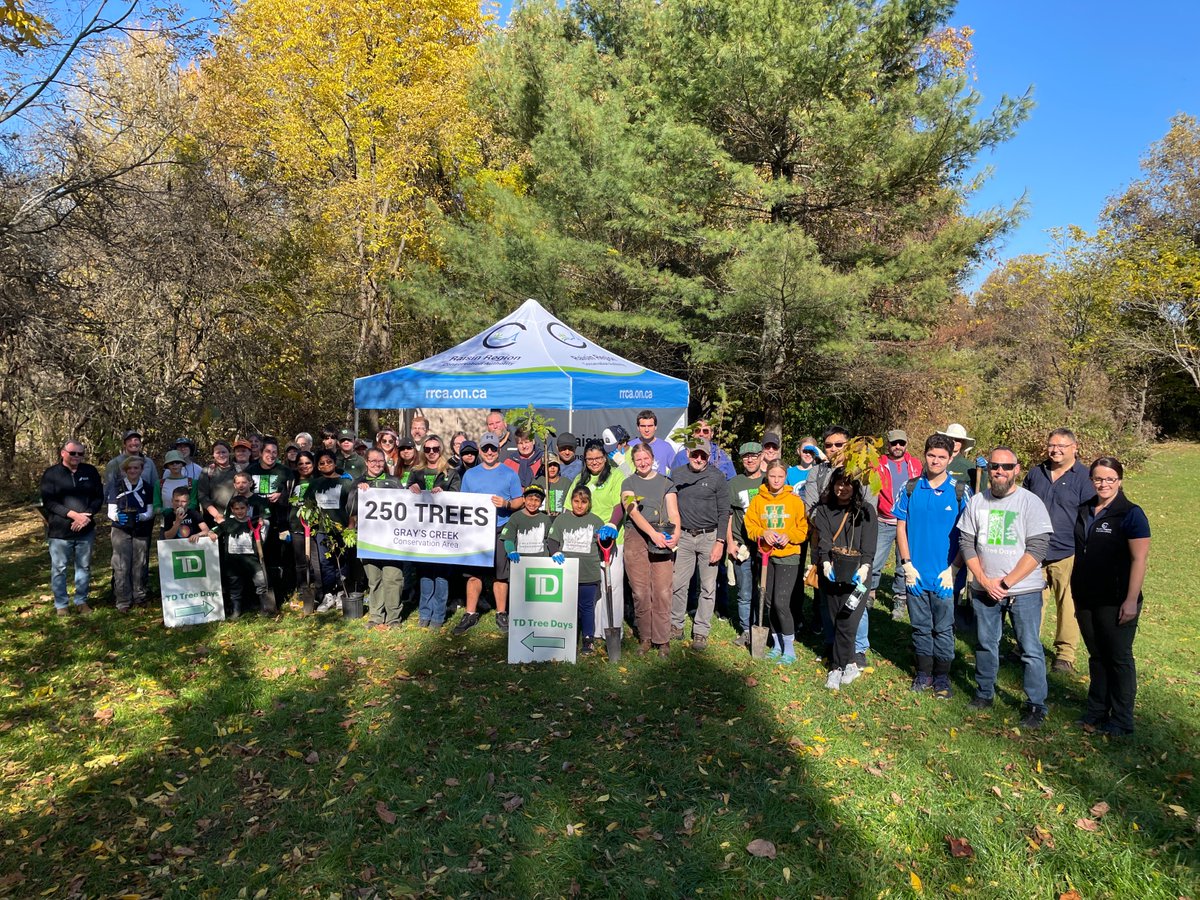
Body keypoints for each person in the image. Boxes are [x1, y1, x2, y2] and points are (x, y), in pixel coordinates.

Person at [958, 448, 1055, 728]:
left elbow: (1038, 549)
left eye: (1006, 466)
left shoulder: (1030, 503)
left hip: (1023, 590)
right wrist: (985, 580)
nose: (999, 471)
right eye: (994, 466)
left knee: (1029, 647)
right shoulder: (977, 502)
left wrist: (1006, 582)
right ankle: (984, 693)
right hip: (984, 587)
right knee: (986, 644)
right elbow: (967, 543)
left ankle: (1036, 704)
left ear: (1017, 469)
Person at [1071, 457, 1150, 736]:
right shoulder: (1085, 509)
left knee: (1118, 658)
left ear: (1119, 481)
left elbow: (1139, 559)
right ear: (1091, 480)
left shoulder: (1130, 513)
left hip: (1116, 599)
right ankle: (1096, 712)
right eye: (1098, 479)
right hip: (1085, 596)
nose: (1103, 484)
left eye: (1110, 479)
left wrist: (1130, 600)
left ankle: (1122, 720)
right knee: (1096, 656)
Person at [894, 434, 970, 697]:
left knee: (944, 627)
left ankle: (942, 677)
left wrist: (955, 569)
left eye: (941, 457)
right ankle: (923, 673)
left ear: (950, 459)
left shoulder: (960, 491)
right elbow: (901, 527)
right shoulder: (909, 488)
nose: (935, 461)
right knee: (920, 626)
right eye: (931, 455)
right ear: (924, 455)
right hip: (916, 573)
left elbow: (968, 535)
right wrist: (906, 564)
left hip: (945, 575)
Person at [1022, 428, 1097, 673]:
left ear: (1074, 448)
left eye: (1061, 446)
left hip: (1068, 550)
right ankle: (1026, 646)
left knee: (1068, 604)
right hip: (1034, 550)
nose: (1055, 450)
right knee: (1031, 602)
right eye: (1052, 445)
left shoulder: (1085, 478)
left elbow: (1092, 515)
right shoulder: (1036, 473)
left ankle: (1065, 655)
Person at [811, 468, 877, 689]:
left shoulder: (866, 511)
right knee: (836, 619)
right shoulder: (824, 510)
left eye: (847, 483)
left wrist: (866, 566)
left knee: (848, 622)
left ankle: (836, 669)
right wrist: (826, 562)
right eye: (838, 483)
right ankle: (849, 663)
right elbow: (825, 540)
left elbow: (869, 544)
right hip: (832, 573)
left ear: (856, 486)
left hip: (858, 576)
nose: (842, 488)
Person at [454, 433, 524, 634]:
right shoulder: (470, 475)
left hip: (501, 528)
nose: (490, 452)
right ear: (481, 451)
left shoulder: (510, 473)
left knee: (500, 575)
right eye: (486, 449)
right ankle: (470, 613)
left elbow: (520, 500)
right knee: (474, 575)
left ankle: (501, 613)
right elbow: (463, 503)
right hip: (476, 532)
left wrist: (507, 504)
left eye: (493, 448)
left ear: (499, 450)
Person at [744, 461, 809, 665]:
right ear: (767, 476)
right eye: (773, 476)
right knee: (769, 601)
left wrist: (788, 536)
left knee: (781, 601)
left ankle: (789, 647)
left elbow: (803, 529)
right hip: (765, 556)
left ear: (785, 477)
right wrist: (763, 533)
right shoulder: (758, 500)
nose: (776, 480)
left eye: (780, 477)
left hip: (788, 557)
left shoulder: (795, 501)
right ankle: (776, 643)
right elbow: (750, 525)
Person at [667, 439, 730, 650]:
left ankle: (701, 630)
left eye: (703, 455)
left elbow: (724, 512)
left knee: (708, 587)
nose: (699, 459)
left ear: (709, 456)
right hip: (684, 537)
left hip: (709, 537)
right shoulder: (676, 475)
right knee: (678, 584)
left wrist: (720, 542)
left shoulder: (717, 477)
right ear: (687, 453)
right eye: (695, 454)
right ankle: (676, 625)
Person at [621, 442, 680, 656]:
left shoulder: (666, 483)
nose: (643, 462)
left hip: (662, 537)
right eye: (638, 460)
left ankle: (662, 639)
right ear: (633, 462)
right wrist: (651, 534)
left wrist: (676, 535)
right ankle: (645, 637)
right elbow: (632, 511)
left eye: (646, 458)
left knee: (663, 590)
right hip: (636, 537)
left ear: (653, 458)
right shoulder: (627, 482)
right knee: (640, 590)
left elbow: (673, 512)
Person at [568, 440, 627, 635]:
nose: (594, 462)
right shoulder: (580, 479)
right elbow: (569, 508)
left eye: (598, 458)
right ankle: (593, 631)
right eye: (589, 459)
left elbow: (621, 503)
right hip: (586, 541)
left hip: (611, 540)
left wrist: (611, 524)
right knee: (592, 586)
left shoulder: (616, 476)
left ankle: (612, 629)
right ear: (584, 460)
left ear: (605, 458)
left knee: (613, 585)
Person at [40, 440, 103, 616]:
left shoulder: (90, 471)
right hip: (60, 532)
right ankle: (61, 605)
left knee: (84, 567)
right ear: (62, 453)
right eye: (72, 453)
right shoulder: (51, 474)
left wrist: (86, 516)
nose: (76, 457)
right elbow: (49, 502)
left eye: (80, 454)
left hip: (86, 529)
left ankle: (81, 601)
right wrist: (73, 515)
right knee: (59, 568)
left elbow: (98, 497)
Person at [346, 448, 405, 629]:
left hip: (392, 539)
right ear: (366, 462)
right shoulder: (359, 482)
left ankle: (394, 617)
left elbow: (407, 507)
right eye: (373, 461)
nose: (377, 464)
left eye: (380, 461)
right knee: (374, 579)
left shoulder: (394, 482)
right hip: (369, 540)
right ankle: (376, 616)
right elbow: (350, 510)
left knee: (393, 577)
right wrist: (359, 492)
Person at [548, 486, 605, 655]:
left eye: (584, 502)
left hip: (588, 572)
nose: (579, 506)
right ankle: (565, 636)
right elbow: (552, 540)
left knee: (587, 606)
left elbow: (604, 546)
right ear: (571, 501)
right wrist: (555, 552)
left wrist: (607, 538)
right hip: (566, 572)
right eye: (576, 501)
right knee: (566, 606)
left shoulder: (596, 521)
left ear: (589, 503)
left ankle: (588, 638)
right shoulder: (562, 520)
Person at [872, 429, 923, 620]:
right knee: (875, 561)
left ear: (906, 444)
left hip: (907, 522)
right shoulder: (878, 464)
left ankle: (900, 598)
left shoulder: (916, 464)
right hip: (884, 520)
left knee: (903, 563)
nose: (898, 447)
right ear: (889, 445)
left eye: (901, 443)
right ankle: (870, 593)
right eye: (894, 443)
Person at [106, 455, 155, 612]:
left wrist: (141, 516)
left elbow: (150, 510)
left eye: (136, 468)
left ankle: (139, 595)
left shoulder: (147, 488)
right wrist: (118, 517)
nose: (133, 470)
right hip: (121, 529)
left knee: (140, 563)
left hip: (141, 528)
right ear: (125, 470)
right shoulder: (116, 487)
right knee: (121, 564)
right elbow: (111, 511)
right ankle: (123, 600)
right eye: (130, 468)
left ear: (141, 470)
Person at [726, 441, 764, 643]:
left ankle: (763, 625)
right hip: (743, 546)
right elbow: (728, 515)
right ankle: (746, 630)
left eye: (754, 456)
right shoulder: (735, 483)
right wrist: (730, 543)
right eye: (745, 457)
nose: (750, 460)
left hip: (767, 545)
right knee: (745, 590)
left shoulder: (770, 480)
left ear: (761, 457)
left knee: (765, 589)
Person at [247, 437, 293, 601]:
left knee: (279, 556)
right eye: (267, 451)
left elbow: (293, 493)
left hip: (280, 521)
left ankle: (281, 592)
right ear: (260, 453)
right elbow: (244, 493)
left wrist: (281, 495)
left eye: (274, 452)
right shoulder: (251, 470)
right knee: (259, 555)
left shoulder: (285, 471)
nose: (271, 455)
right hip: (257, 521)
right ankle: (260, 592)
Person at [216, 495, 268, 619]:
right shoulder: (227, 523)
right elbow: (214, 531)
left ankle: (265, 608)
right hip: (233, 562)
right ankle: (236, 611)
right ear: (232, 510)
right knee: (235, 587)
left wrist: (263, 521)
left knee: (261, 583)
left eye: (242, 508)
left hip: (253, 561)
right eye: (237, 509)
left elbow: (264, 525)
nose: (240, 511)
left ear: (248, 508)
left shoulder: (254, 522)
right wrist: (212, 533)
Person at [670, 420, 736, 479]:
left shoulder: (722, 456)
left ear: (712, 434)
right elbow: (672, 481)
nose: (701, 434)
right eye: (697, 430)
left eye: (705, 431)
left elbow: (732, 482)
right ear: (693, 434)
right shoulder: (682, 455)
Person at [199, 440, 238, 526]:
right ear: (213, 455)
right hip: (212, 518)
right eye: (217, 452)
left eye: (224, 452)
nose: (221, 455)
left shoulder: (238, 470)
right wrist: (216, 515)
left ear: (229, 453)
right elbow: (202, 496)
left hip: (236, 516)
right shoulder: (207, 471)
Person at [635, 409, 677, 475]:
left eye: (650, 426)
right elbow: (626, 475)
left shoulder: (666, 447)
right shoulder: (630, 446)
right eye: (643, 426)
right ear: (638, 427)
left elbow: (677, 470)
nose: (646, 430)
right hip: (637, 484)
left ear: (655, 427)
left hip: (660, 484)